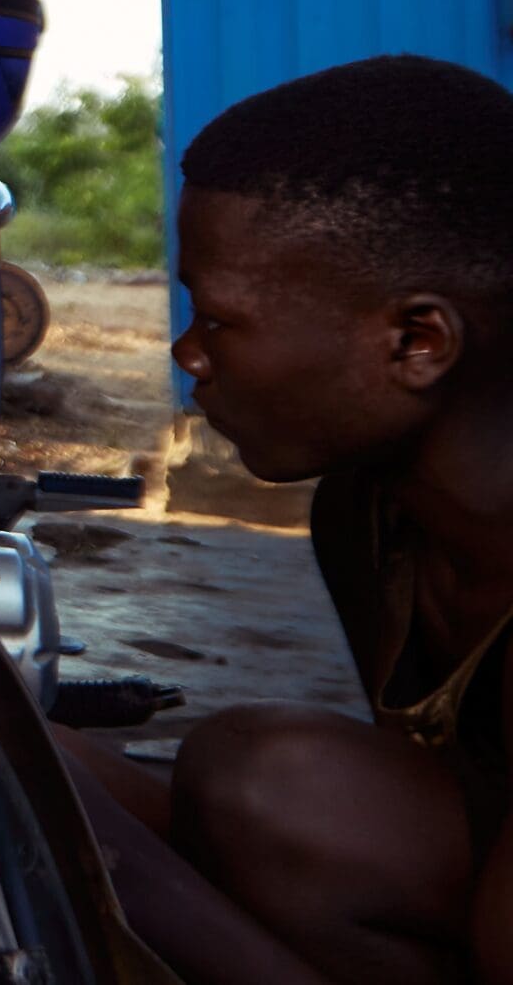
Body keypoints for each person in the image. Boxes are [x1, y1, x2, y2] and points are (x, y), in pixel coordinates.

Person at [61, 55, 512, 985]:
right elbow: (377, 827)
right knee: (87, 766)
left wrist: (122, 871)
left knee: (260, 776)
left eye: (221, 320)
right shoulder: (370, 514)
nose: (189, 354)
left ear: (415, 341)